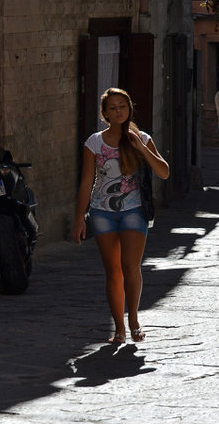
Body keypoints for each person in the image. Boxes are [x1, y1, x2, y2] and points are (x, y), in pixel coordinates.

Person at [71, 87, 169, 344]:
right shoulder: (94, 143)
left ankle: (134, 318)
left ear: (129, 109)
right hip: (102, 212)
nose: (118, 111)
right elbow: (86, 182)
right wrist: (80, 217)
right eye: (112, 108)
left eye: (122, 106)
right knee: (113, 271)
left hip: (134, 211)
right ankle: (118, 328)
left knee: (131, 266)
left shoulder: (143, 138)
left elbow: (164, 172)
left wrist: (142, 147)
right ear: (105, 114)